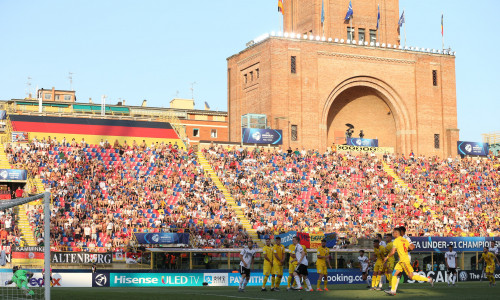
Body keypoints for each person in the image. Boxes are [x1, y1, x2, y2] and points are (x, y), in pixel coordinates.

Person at [384, 227, 433, 296]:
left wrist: (387, 257)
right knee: (394, 274)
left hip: (404, 261)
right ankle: (392, 291)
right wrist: (404, 250)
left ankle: (428, 279)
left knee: (411, 276)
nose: (392, 234)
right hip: (401, 261)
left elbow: (392, 252)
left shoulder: (396, 240)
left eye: (393, 233)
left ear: (396, 233)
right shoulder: (405, 240)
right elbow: (411, 247)